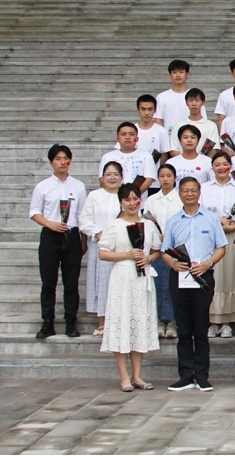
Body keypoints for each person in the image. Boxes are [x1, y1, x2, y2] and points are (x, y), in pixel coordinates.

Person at [161, 177, 227, 392]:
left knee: (200, 327)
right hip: (179, 277)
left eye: (193, 190)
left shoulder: (211, 218)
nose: (189, 194)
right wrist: (173, 263)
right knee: (183, 328)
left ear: (199, 193)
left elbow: (221, 248)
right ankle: (185, 375)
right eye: (185, 190)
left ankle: (202, 375)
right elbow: (165, 251)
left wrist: (208, 263)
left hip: (203, 276)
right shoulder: (173, 221)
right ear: (180, 193)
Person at [98, 183, 162, 392]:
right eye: (127, 199)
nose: (132, 203)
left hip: (142, 278)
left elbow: (157, 250)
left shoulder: (148, 225)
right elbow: (103, 253)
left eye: (135, 199)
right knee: (122, 322)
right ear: (121, 202)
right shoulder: (114, 225)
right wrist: (126, 255)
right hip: (122, 276)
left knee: (138, 322)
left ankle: (137, 376)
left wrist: (148, 259)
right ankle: (124, 377)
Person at [29, 144, 87, 339]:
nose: (62, 162)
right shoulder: (43, 186)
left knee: (71, 283)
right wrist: (50, 224)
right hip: (50, 236)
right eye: (58, 159)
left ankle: (71, 322)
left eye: (66, 158)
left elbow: (82, 215)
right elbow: (34, 212)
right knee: (48, 282)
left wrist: (83, 240)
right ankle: (48, 322)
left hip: (72, 236)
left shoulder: (78, 186)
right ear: (51, 162)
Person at [200, 152, 235, 338]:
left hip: (233, 234)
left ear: (231, 166)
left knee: (230, 275)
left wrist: (233, 226)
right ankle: (213, 321)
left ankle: (227, 321)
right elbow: (200, 212)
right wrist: (218, 222)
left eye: (225, 164)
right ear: (212, 167)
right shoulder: (204, 188)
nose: (221, 168)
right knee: (214, 276)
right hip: (210, 235)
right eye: (217, 164)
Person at [80, 161, 122, 338]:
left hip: (121, 248)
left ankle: (119, 324)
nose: (112, 178)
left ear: (121, 177)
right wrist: (98, 233)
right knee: (102, 285)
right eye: (108, 174)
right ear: (102, 177)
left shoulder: (126, 195)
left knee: (120, 285)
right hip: (100, 245)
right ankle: (103, 323)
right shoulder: (94, 196)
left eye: (116, 174)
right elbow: (84, 220)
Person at [143, 164, 183, 339]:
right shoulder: (151, 200)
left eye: (169, 176)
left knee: (173, 285)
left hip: (176, 249)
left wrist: (172, 235)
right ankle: (159, 320)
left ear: (175, 178)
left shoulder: (180, 198)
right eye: (162, 176)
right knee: (158, 284)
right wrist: (156, 235)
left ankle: (173, 320)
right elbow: (146, 221)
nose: (165, 179)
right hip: (157, 248)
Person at [99, 122, 156, 202]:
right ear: (117, 139)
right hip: (113, 201)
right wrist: (120, 197)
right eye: (123, 134)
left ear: (137, 138)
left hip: (138, 203)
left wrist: (132, 197)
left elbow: (148, 180)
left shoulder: (146, 156)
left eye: (131, 134)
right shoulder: (107, 157)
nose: (127, 137)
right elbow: (102, 181)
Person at [154, 60, 207, 134]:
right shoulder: (161, 97)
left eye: (181, 72)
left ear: (187, 75)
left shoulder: (195, 97)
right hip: (169, 137)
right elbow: (158, 121)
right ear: (170, 75)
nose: (178, 75)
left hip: (191, 137)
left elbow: (202, 119)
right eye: (174, 72)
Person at [169, 88, 220, 157]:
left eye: (197, 100)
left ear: (203, 102)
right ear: (186, 103)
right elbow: (173, 150)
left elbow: (213, 150)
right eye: (191, 100)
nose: (194, 104)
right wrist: (185, 160)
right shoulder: (178, 125)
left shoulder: (211, 126)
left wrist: (201, 161)